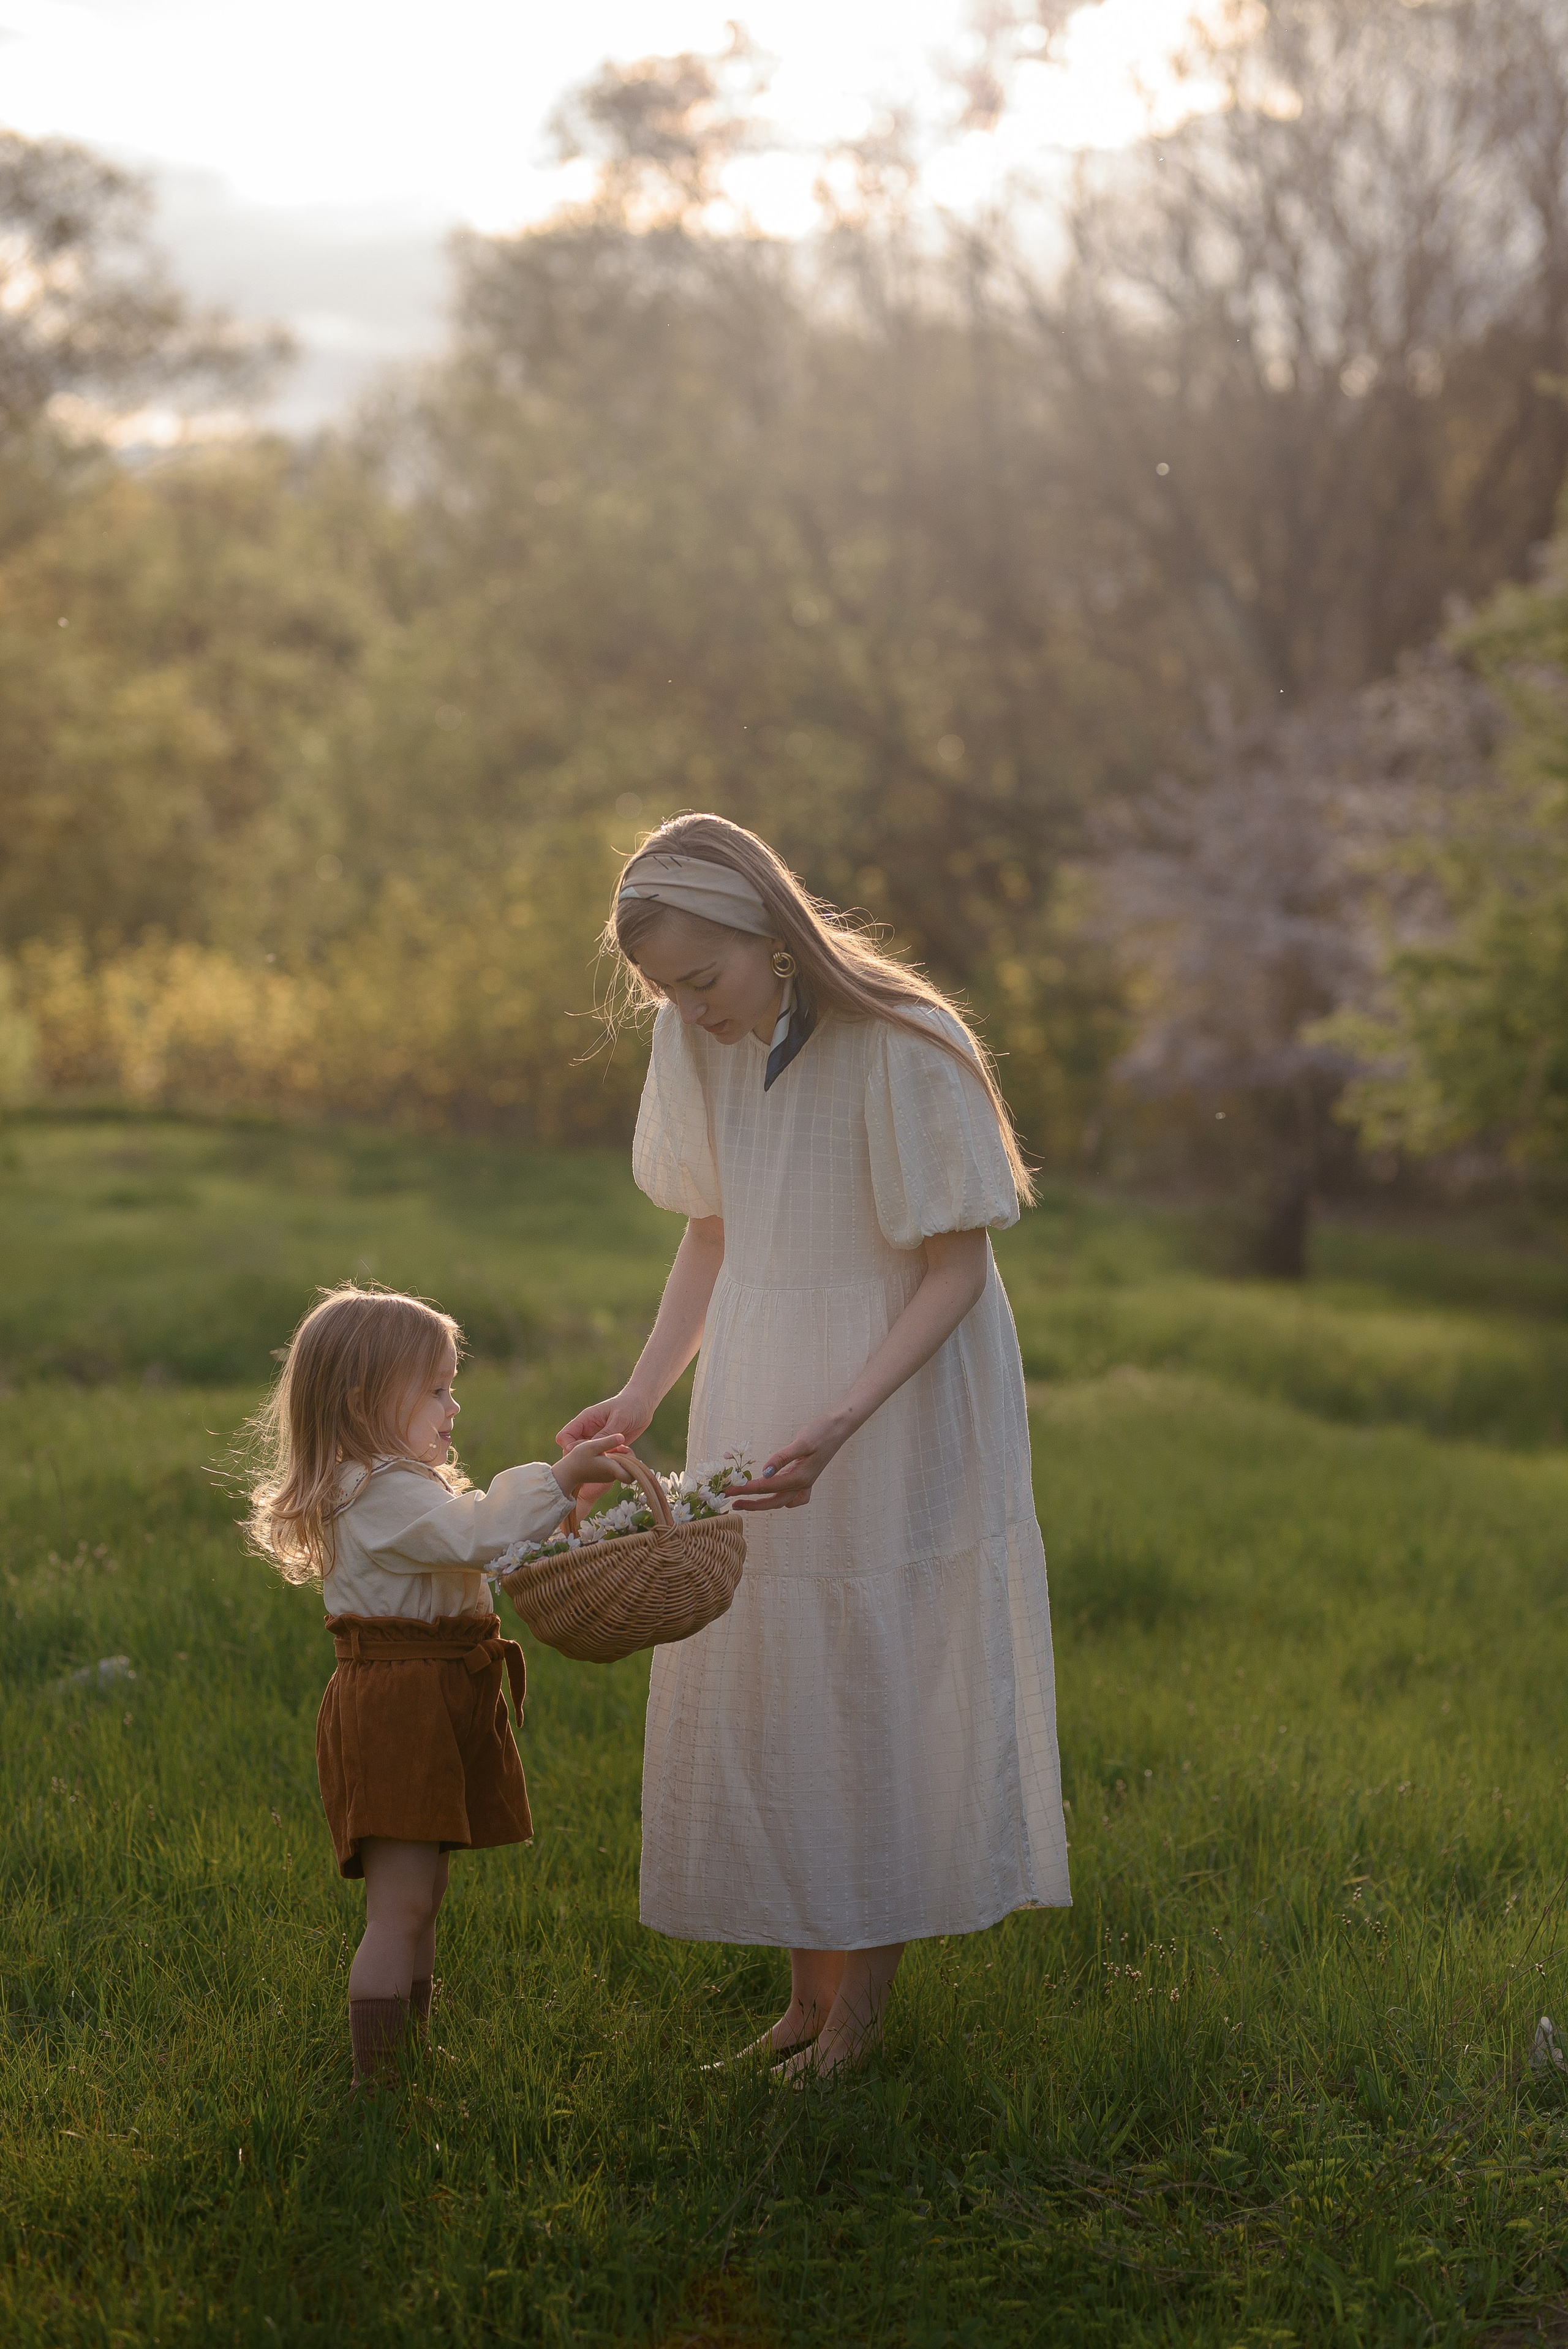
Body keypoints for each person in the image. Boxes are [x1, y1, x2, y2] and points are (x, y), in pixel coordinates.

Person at [559, 814, 1070, 2079]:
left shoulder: (903, 1039)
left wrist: (845, 1415)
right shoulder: (702, 1038)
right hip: (762, 1358)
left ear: (767, 933)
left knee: (869, 1656)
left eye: (700, 979)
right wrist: (637, 1395)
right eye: (666, 992)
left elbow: (955, 1268)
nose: (687, 1009)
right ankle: (799, 1997)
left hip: (895, 1375)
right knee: (772, 1652)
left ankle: (859, 2016)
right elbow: (713, 1233)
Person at [246, 1283, 628, 2091]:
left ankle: (404, 2056)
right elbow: (480, 1534)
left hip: (431, 1695)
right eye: (437, 1387)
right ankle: (379, 2083)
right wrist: (558, 1477)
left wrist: (562, 1509)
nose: (454, 1403)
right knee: (401, 1905)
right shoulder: (377, 1491)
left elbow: (481, 1545)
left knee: (423, 1893)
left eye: (453, 1384)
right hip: (400, 1708)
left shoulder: (402, 1482)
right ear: (363, 1402)